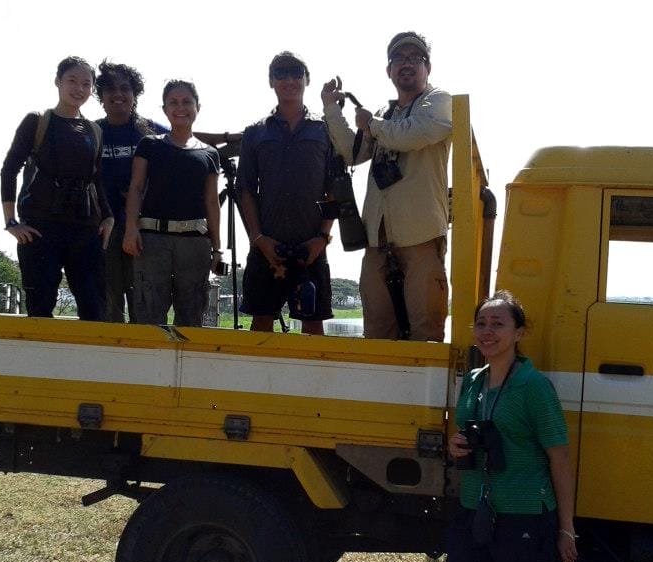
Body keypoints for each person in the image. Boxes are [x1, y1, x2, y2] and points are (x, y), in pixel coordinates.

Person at [440, 291, 578, 562]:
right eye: (481, 323)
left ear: (519, 332)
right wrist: (455, 444)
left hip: (525, 516)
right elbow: (465, 431)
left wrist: (566, 527)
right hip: (475, 510)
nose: (487, 332)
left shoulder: (534, 387)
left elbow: (560, 458)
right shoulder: (475, 381)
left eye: (498, 324)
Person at [321, 31, 451, 341]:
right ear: (388, 70)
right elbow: (353, 154)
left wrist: (372, 125)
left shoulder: (440, 101)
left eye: (414, 58)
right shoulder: (383, 114)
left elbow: (413, 134)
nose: (406, 64)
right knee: (377, 334)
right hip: (377, 243)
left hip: (421, 238)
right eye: (399, 59)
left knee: (426, 333)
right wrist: (331, 107)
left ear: (428, 67)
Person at [1, 56, 113, 320]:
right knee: (40, 308)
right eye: (72, 81)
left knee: (95, 307)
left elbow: (96, 178)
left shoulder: (94, 130)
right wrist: (11, 222)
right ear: (58, 82)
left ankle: (88, 362)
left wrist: (108, 217)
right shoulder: (37, 121)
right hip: (40, 228)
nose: (79, 89)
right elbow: (9, 169)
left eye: (86, 84)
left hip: (85, 229)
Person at [237, 51, 334, 335]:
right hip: (267, 247)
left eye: (295, 73)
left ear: (307, 80)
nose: (289, 80)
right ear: (271, 81)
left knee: (314, 326)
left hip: (312, 248)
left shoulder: (325, 131)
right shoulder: (255, 133)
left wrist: (322, 239)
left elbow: (335, 189)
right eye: (281, 74)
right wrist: (259, 240)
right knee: (261, 323)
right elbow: (245, 190)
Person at [123, 79, 222, 327]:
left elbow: (212, 201)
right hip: (152, 241)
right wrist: (130, 229)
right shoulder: (150, 145)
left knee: (191, 316)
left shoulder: (209, 153)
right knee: (149, 314)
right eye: (173, 102)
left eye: (187, 102)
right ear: (165, 109)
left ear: (197, 106)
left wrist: (218, 247)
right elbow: (136, 188)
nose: (181, 108)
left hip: (195, 243)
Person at [94, 61, 168, 323]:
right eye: (110, 89)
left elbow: (189, 142)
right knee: (109, 302)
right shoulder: (91, 132)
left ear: (135, 94)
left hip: (143, 230)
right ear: (100, 95)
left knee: (143, 304)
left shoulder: (150, 131)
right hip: (103, 230)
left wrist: (232, 137)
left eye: (125, 88)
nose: (118, 95)